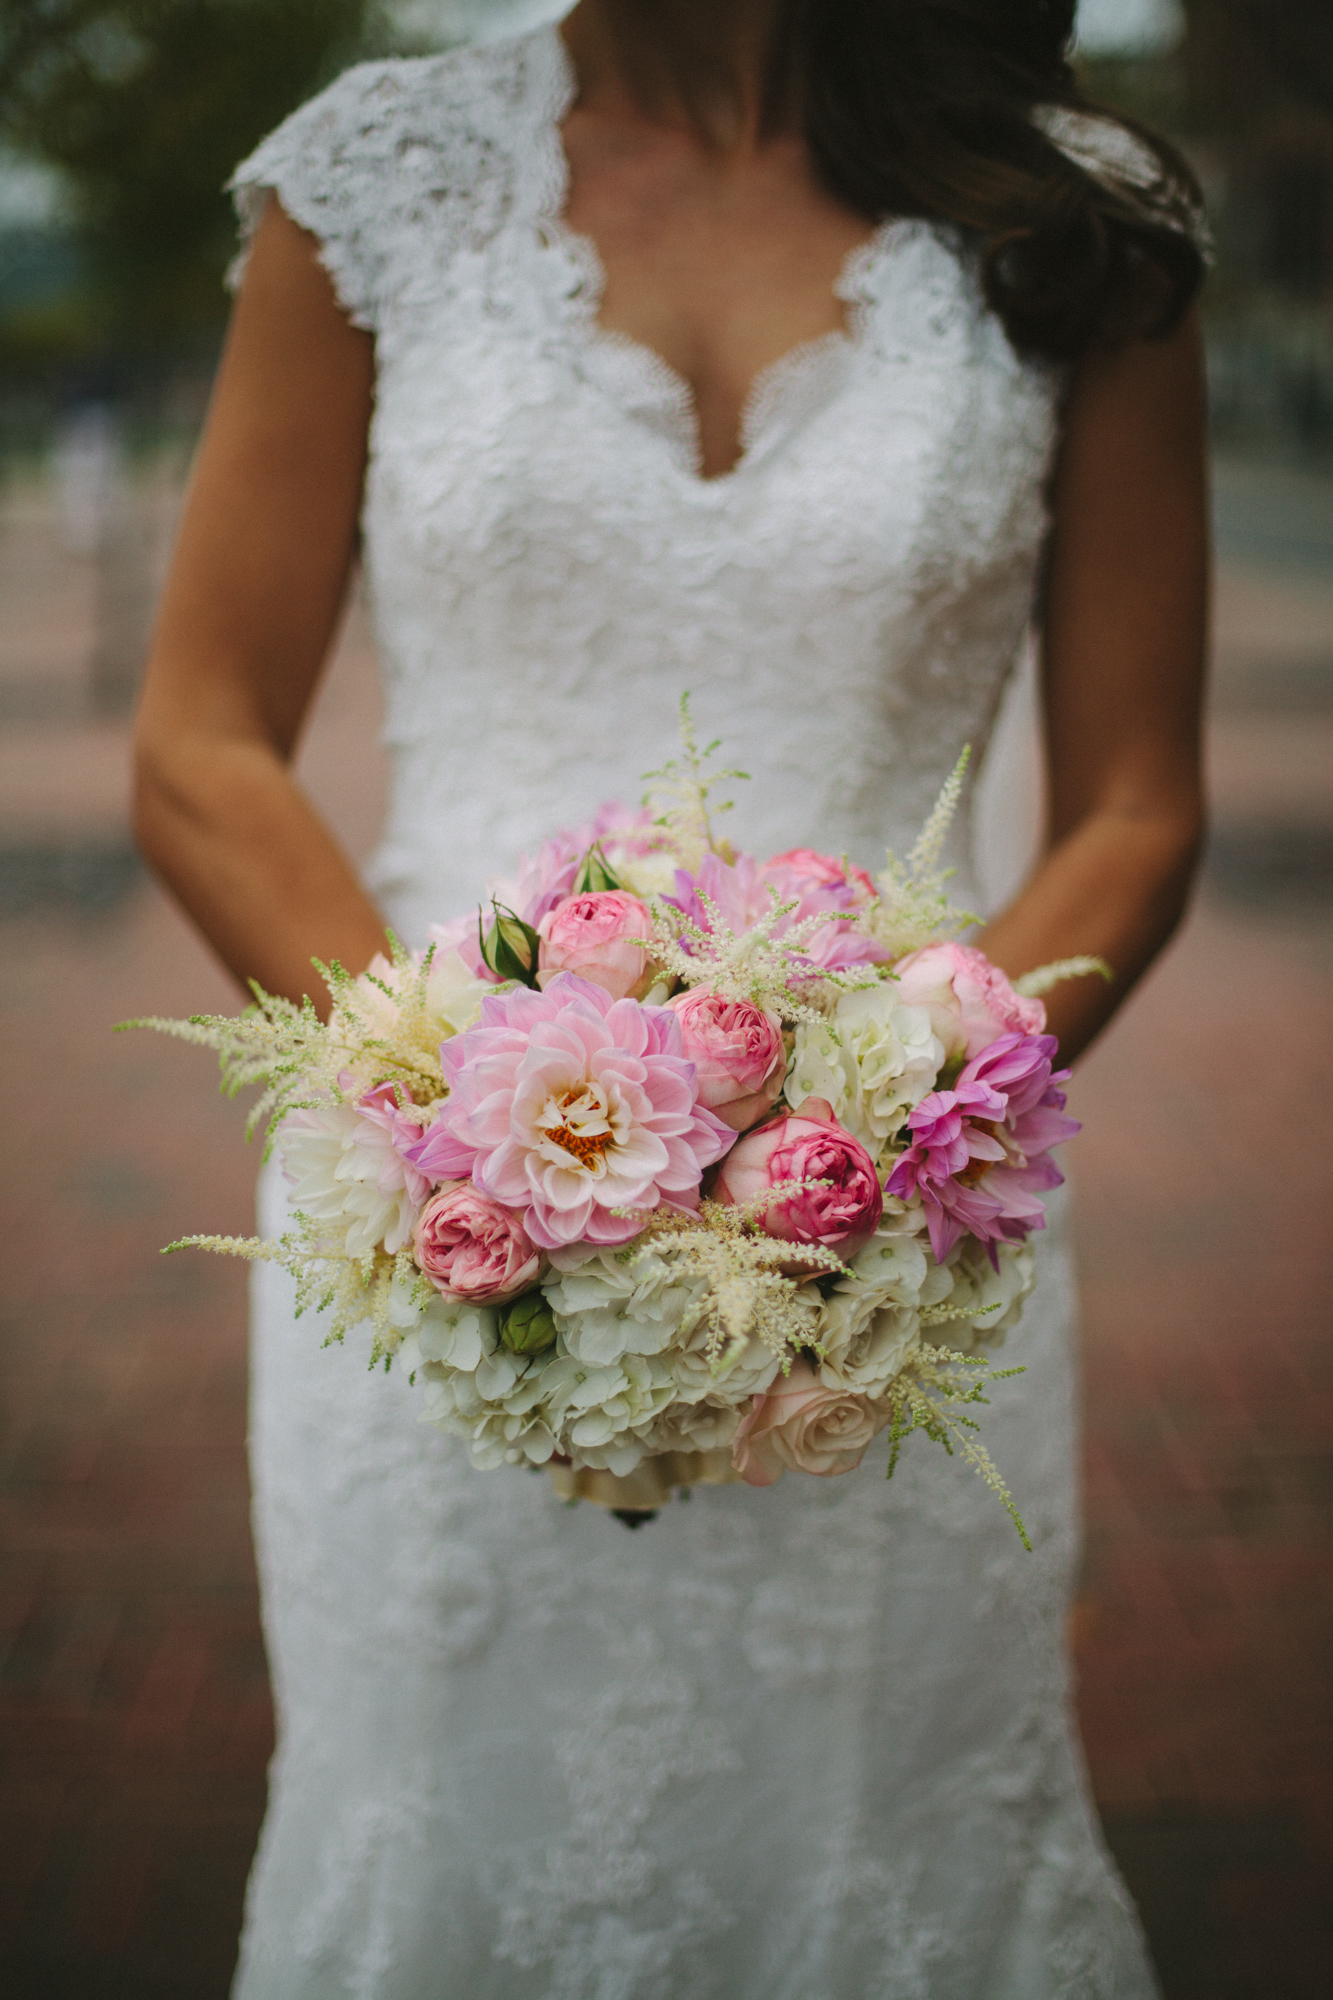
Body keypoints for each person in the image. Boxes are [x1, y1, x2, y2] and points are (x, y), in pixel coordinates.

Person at [132, 3, 1208, 1993]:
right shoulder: (376, 180)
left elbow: (1139, 799)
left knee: (881, 1848)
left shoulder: (1075, 213)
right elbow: (200, 742)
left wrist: (889, 1138)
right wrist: (471, 1143)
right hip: (442, 1232)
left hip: (896, 1271)